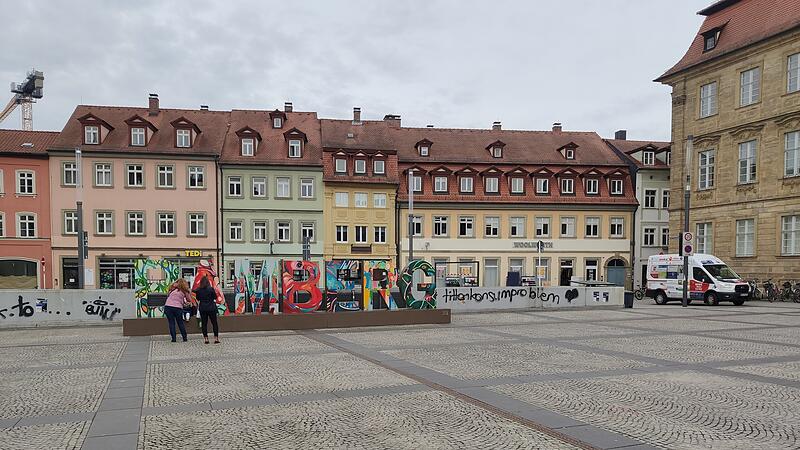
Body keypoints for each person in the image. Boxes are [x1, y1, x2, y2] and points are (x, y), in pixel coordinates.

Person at [193, 275, 220, 344]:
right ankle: (216, 338)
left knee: (204, 324)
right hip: (211, 307)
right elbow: (215, 297)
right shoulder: (211, 289)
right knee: (214, 323)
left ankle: (206, 339)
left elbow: (198, 299)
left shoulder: (199, 290)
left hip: (203, 308)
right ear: (208, 282)